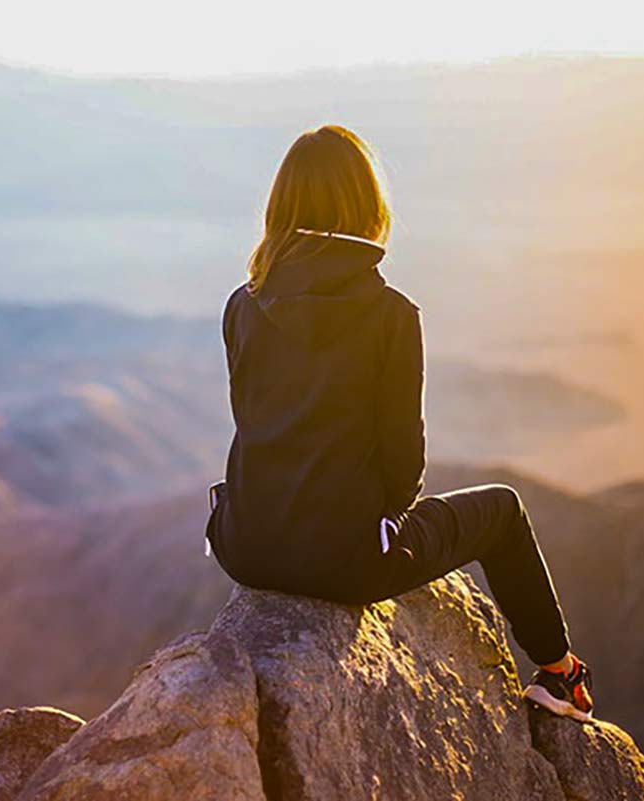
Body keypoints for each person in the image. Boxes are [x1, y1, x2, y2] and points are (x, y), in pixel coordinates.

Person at [204, 123, 593, 721]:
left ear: (281, 206)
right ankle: (559, 674)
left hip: (243, 544)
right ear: (368, 207)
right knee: (505, 511)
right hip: (346, 562)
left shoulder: (242, 302)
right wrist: (373, 523)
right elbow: (403, 469)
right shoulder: (391, 316)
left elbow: (254, 421)